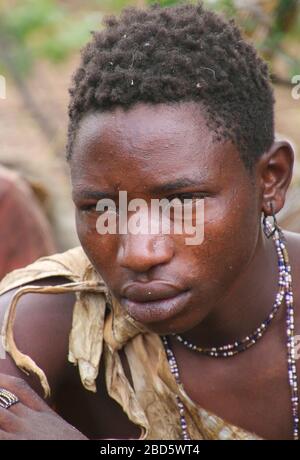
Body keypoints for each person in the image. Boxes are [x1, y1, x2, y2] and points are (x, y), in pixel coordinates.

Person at [0, 1, 299, 440]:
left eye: (182, 202)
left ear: (270, 180)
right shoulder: (51, 314)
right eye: (101, 208)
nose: (139, 252)